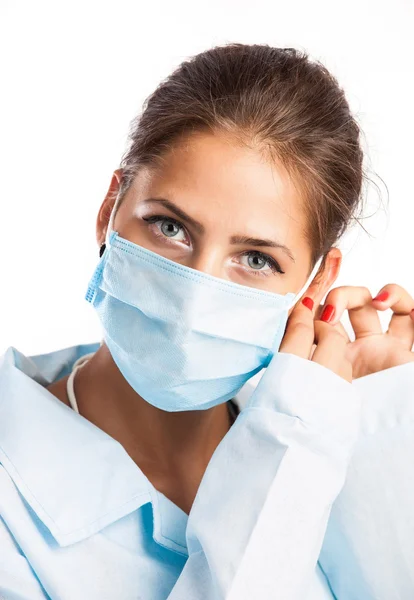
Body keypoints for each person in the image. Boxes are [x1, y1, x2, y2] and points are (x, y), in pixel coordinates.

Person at [0, 43, 413, 600]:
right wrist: (292, 443)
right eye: (170, 228)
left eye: (257, 259)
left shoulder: (325, 433)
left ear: (316, 283)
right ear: (110, 211)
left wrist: (373, 439)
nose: (195, 298)